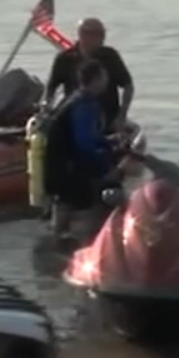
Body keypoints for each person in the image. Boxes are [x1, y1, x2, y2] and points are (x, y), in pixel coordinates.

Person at [48, 61, 120, 239]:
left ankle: (53, 255)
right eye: (104, 77)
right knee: (87, 226)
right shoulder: (85, 106)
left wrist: (107, 141)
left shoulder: (71, 100)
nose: (106, 81)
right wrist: (106, 169)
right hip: (76, 175)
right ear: (95, 80)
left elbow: (79, 136)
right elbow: (84, 145)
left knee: (59, 227)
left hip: (58, 172)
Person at [46, 18, 134, 128]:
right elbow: (51, 87)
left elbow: (128, 85)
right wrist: (47, 107)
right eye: (97, 34)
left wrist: (122, 115)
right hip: (75, 113)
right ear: (82, 34)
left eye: (102, 34)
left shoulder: (110, 56)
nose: (102, 38)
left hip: (107, 115)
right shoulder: (65, 58)